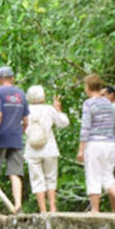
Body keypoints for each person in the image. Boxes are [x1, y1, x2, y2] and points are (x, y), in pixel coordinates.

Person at [76, 74, 115, 213]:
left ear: (88, 87)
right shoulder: (108, 104)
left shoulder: (89, 104)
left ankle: (95, 209)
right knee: (108, 176)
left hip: (95, 143)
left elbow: (85, 128)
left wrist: (81, 149)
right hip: (110, 143)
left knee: (93, 176)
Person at [0, 66, 30, 214]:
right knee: (15, 173)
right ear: (12, 78)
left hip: (1, 137)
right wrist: (19, 132)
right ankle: (18, 206)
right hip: (15, 138)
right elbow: (26, 120)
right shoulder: (21, 94)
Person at [23, 85, 70, 213]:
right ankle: (53, 208)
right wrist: (58, 110)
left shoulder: (25, 110)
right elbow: (64, 123)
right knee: (51, 177)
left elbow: (20, 127)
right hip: (49, 147)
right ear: (43, 97)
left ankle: (43, 210)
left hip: (32, 148)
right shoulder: (49, 109)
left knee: (37, 179)